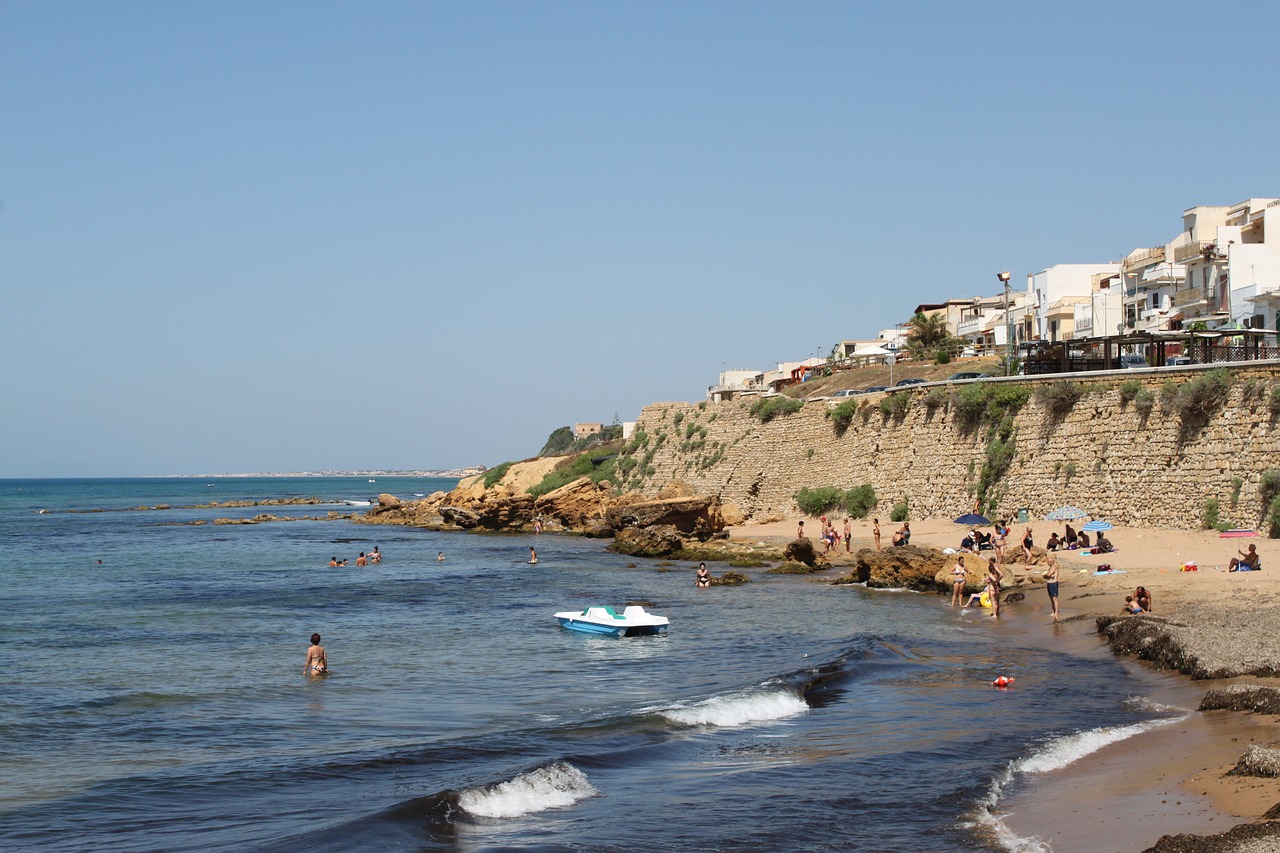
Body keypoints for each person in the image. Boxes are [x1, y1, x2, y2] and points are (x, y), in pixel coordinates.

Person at [1044, 554, 1060, 622]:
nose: (1048, 563)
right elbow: (1048, 576)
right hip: (1049, 584)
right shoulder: (1050, 568)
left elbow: (1048, 575)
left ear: (1052, 562)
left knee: (1054, 598)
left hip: (1053, 584)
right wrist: (1047, 576)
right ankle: (1053, 611)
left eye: (1049, 561)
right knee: (1051, 598)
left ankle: (1056, 612)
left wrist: (1046, 576)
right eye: (1047, 561)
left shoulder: (1054, 567)